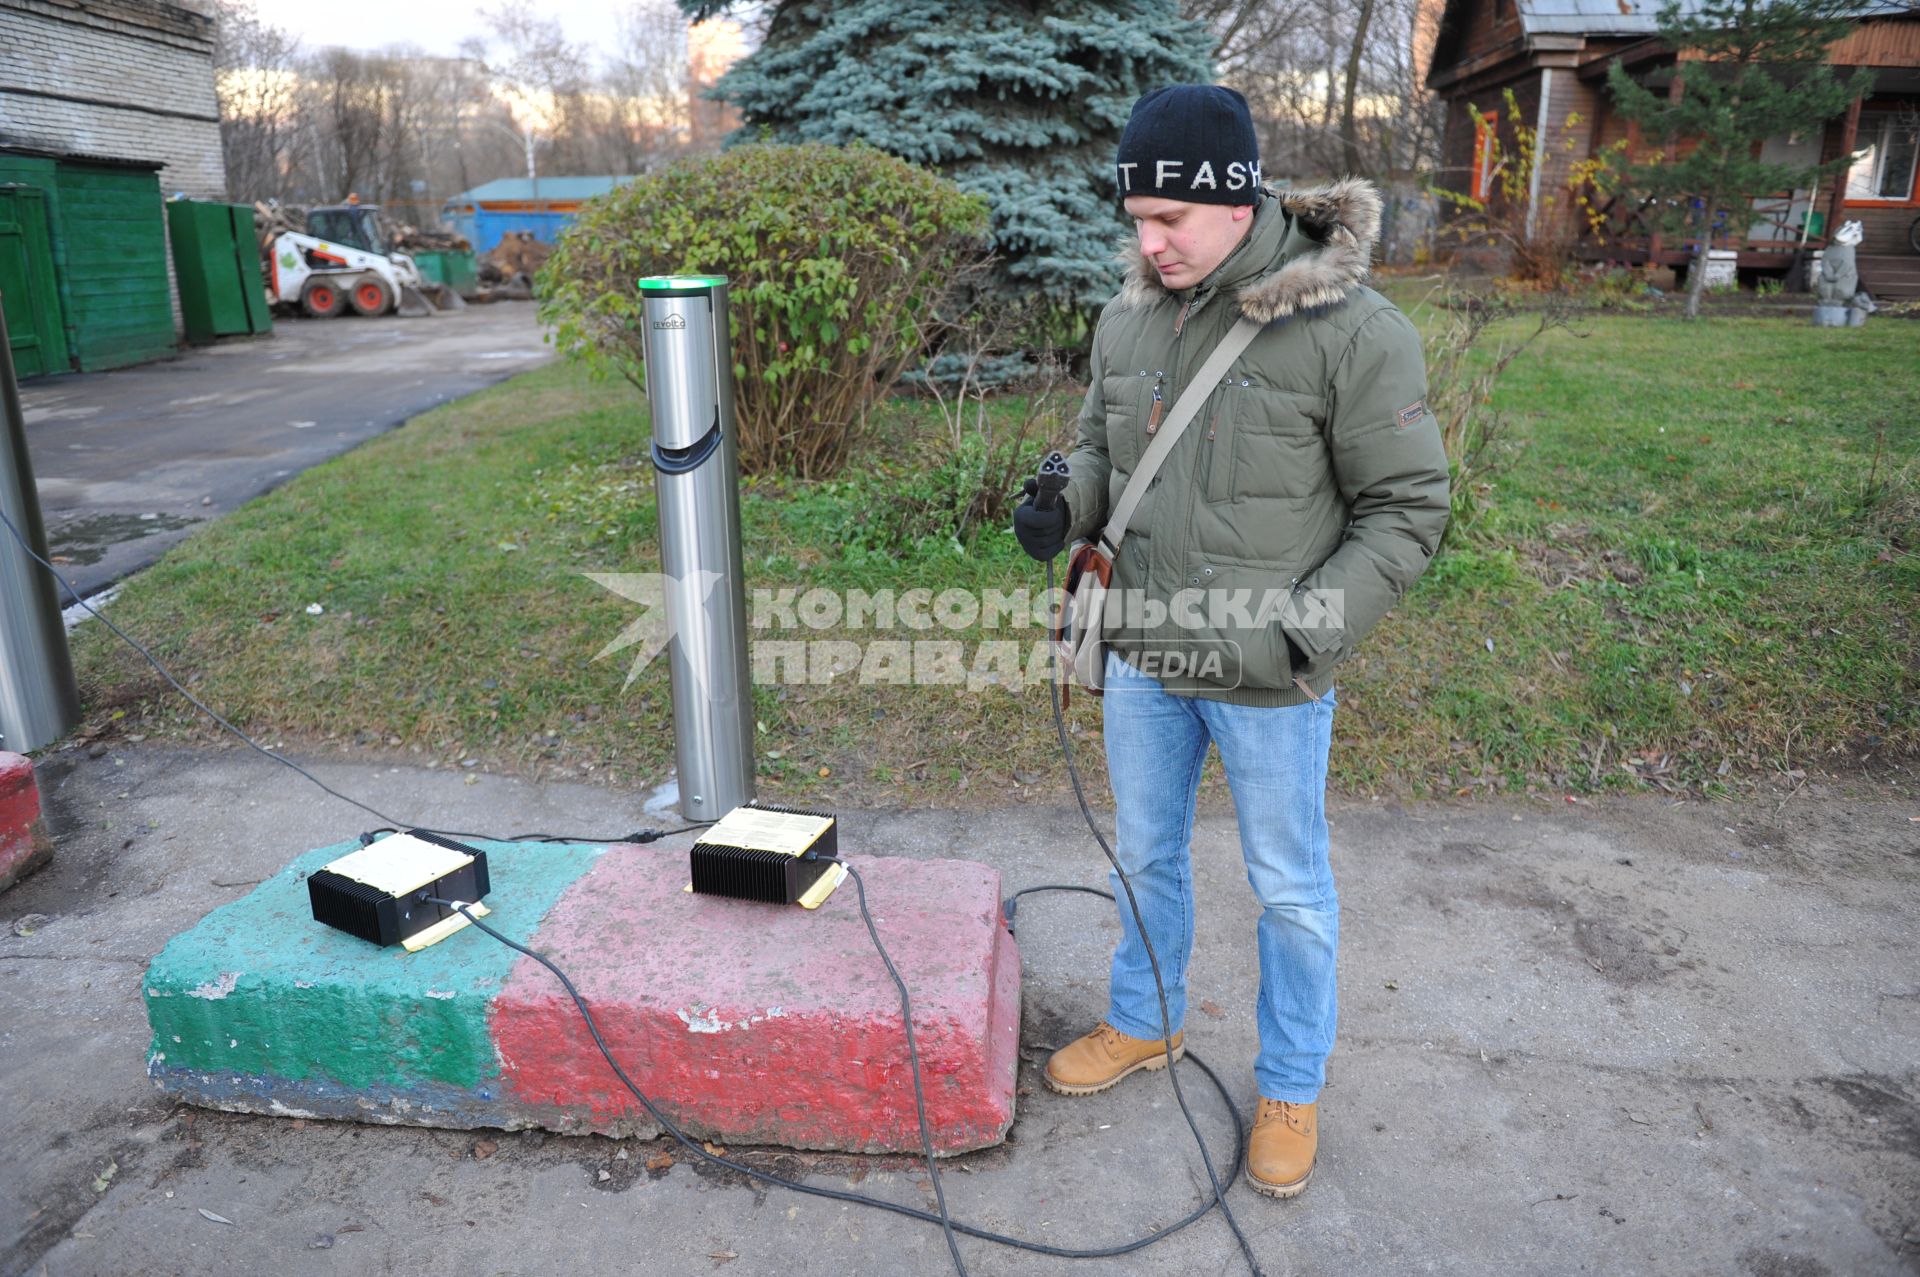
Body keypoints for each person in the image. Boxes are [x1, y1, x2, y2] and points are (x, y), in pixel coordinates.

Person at [1012, 84, 1447, 1199]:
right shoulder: (1128, 316)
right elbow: (1102, 444)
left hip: (1270, 679)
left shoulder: (1352, 330)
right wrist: (1069, 498)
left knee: (1289, 887)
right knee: (1146, 854)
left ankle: (1292, 1081)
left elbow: (1406, 507)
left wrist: (1307, 634)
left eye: (1170, 221)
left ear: (1236, 199)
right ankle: (1145, 1018)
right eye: (1136, 220)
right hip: (1149, 657)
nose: (1147, 243)